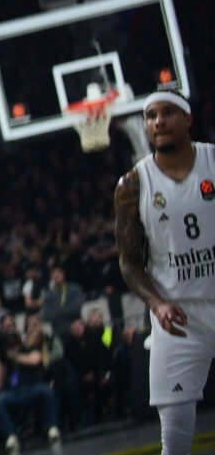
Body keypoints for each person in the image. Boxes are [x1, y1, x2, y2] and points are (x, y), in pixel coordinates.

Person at [113, 89, 215, 455]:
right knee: (174, 434)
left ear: (188, 119)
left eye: (168, 113)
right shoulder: (132, 185)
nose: (159, 121)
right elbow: (129, 260)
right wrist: (156, 304)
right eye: (151, 115)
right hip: (177, 316)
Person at [0, 315, 60, 451]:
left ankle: (52, 427)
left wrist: (15, 355)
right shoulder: (6, 356)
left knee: (47, 390)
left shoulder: (29, 348)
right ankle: (11, 435)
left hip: (32, 387)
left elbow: (35, 360)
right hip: (14, 391)